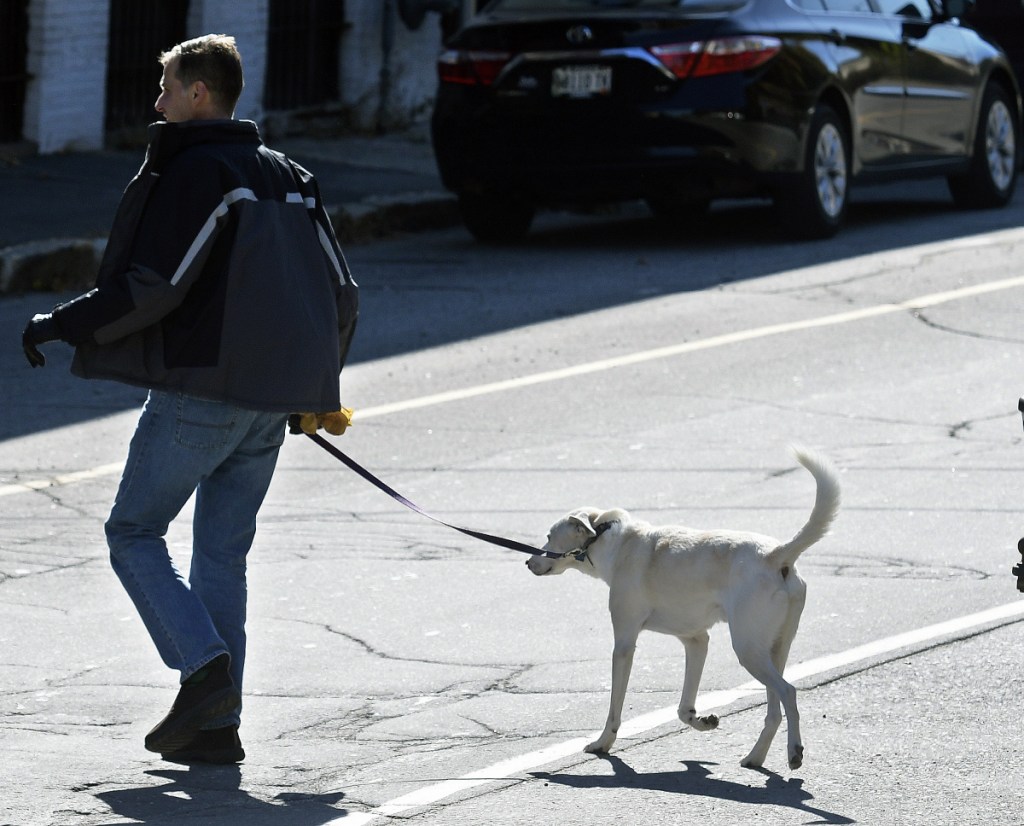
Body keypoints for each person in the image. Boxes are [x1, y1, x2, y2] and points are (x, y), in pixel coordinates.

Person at [21, 34, 358, 764]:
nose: (158, 102)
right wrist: (315, 389)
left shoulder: (201, 172)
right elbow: (342, 292)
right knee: (220, 559)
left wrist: (59, 323)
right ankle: (216, 728)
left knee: (133, 533)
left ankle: (205, 675)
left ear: (199, 94)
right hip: (272, 404)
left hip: (206, 391)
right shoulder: (290, 176)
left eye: (168, 87)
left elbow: (155, 285)